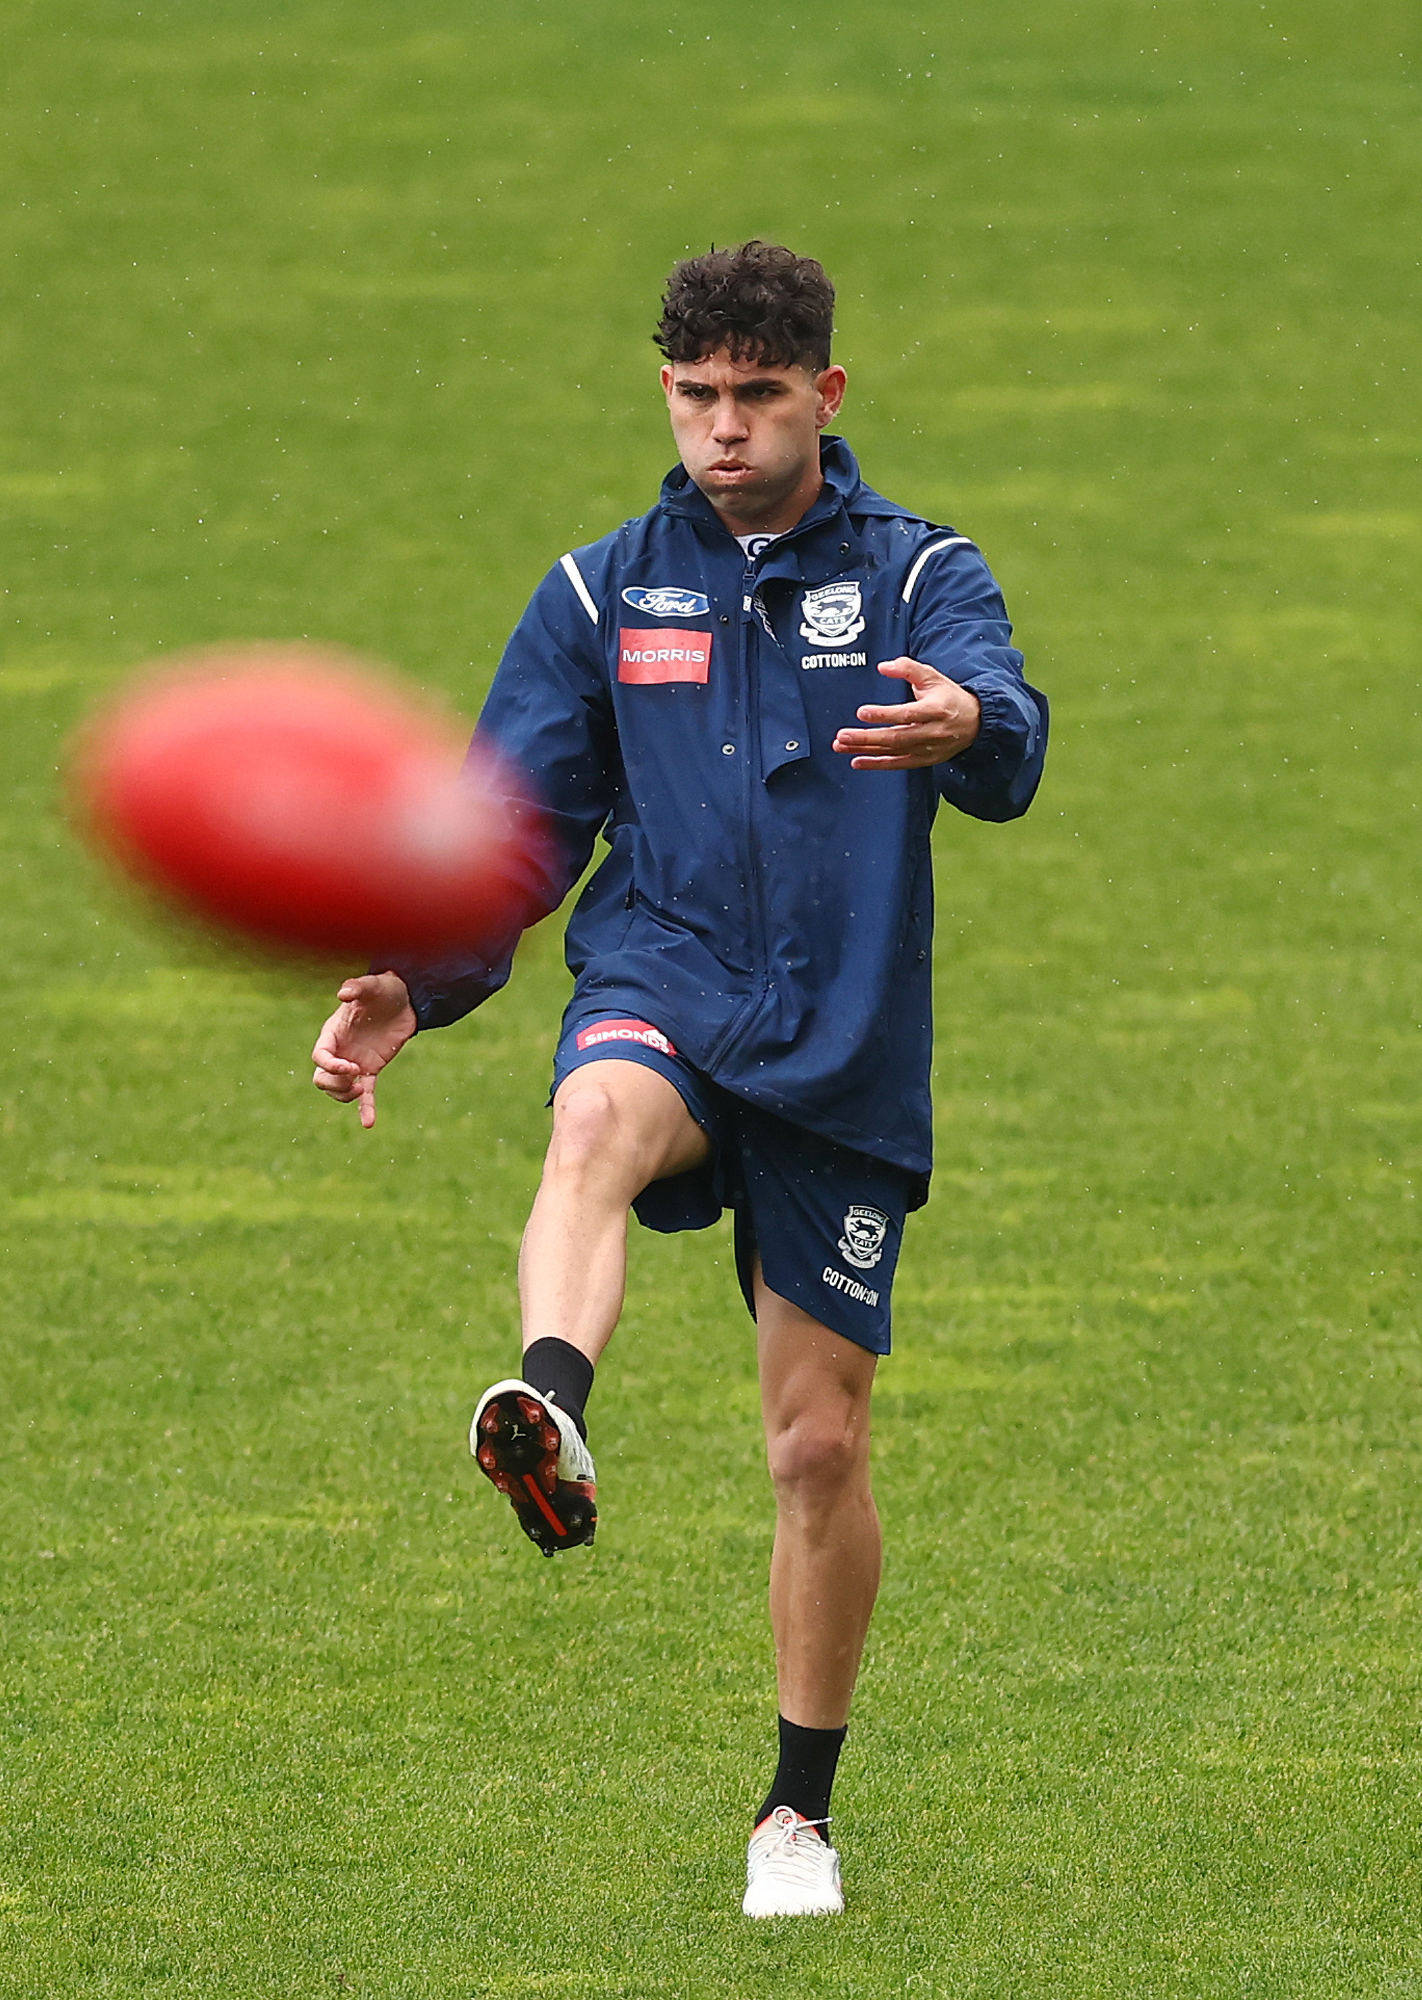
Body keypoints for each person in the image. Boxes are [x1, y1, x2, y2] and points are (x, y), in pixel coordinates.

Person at [310, 241, 1048, 1918]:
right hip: (667, 978)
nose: (725, 429)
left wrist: (972, 728)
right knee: (590, 1129)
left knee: (817, 1448)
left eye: (759, 396)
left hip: (846, 1045)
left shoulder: (926, 572)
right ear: (666, 391)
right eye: (698, 395)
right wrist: (416, 989)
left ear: (825, 397)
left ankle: (796, 1813)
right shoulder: (598, 595)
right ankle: (549, 1401)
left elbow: (1008, 727)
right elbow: (514, 833)